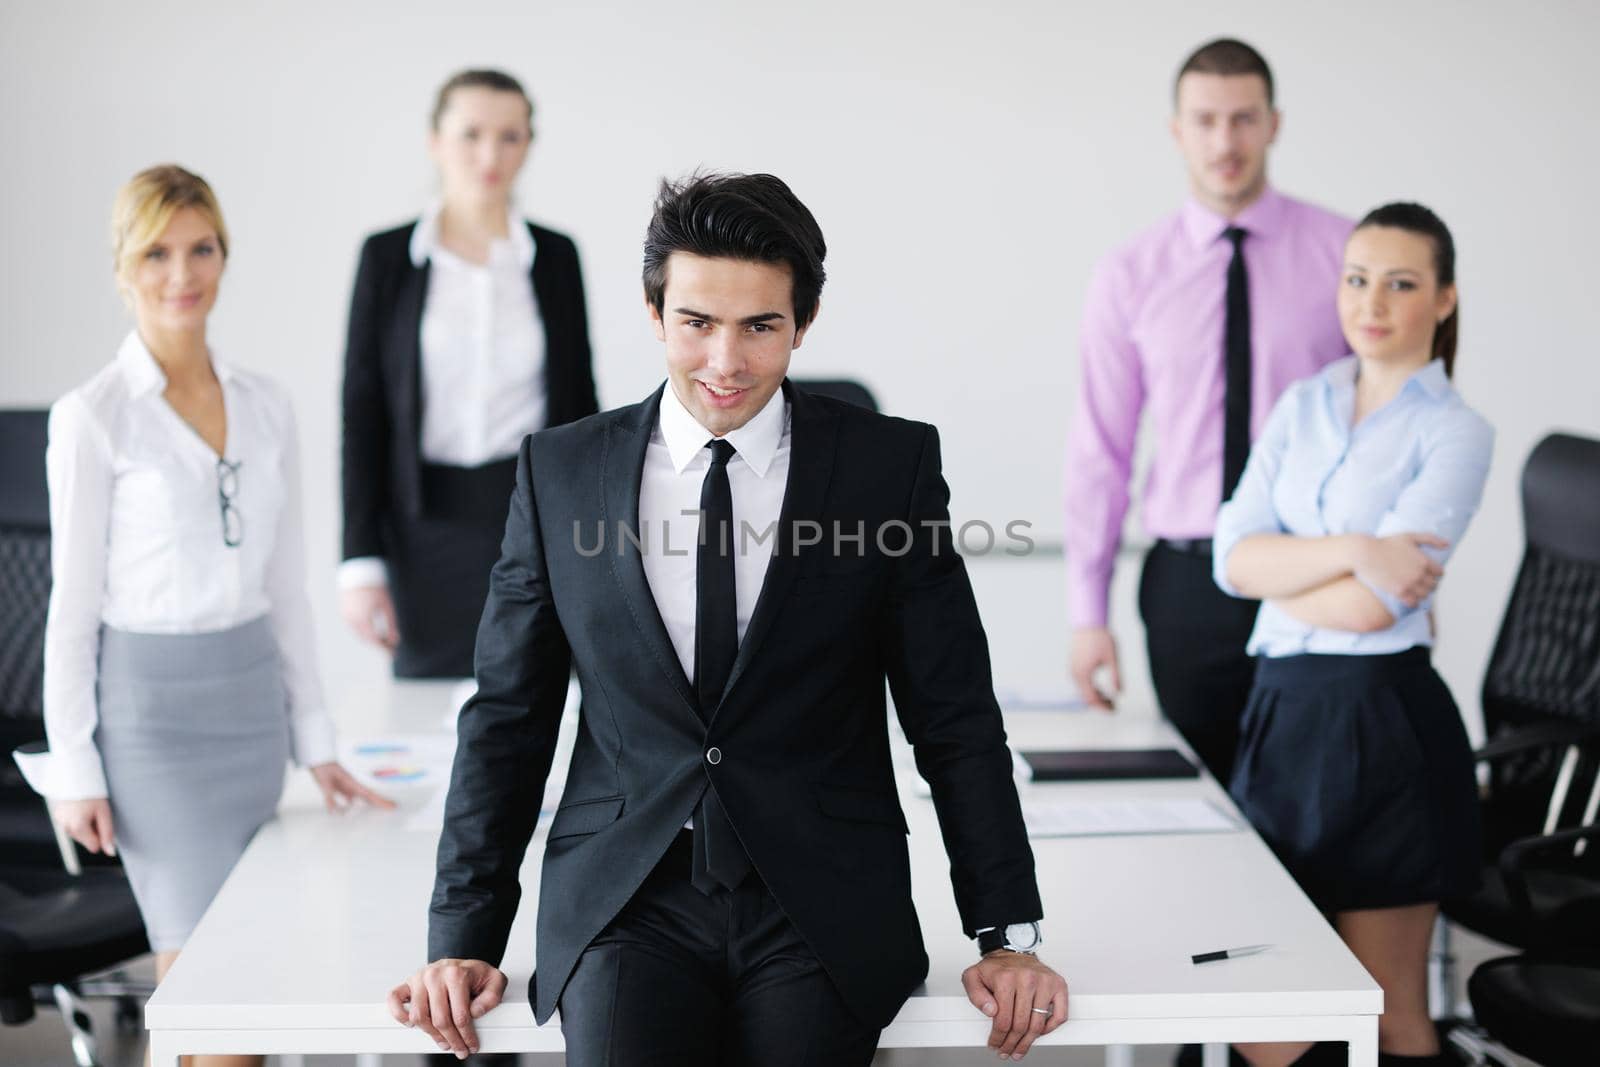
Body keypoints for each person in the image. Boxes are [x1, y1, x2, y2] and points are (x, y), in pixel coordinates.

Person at [387, 172, 1068, 1065]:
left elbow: (953, 713)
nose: (725, 362)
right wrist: (463, 932)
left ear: (804, 323)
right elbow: (508, 716)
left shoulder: (885, 466)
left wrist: (1005, 930)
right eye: (697, 323)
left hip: (819, 896)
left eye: (761, 326)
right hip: (626, 898)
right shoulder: (559, 472)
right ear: (654, 311)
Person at [13, 164, 391, 1067]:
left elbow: (287, 585)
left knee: (238, 1005)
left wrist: (317, 737)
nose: (183, 274)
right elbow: (70, 606)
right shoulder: (93, 417)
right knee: (225, 1018)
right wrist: (74, 766)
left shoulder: (266, 404)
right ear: (121, 268)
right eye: (157, 253)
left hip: (251, 720)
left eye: (202, 248)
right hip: (154, 736)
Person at [1213, 203, 1490, 1067]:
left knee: (1387, 1018)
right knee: (1268, 1028)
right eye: (1358, 278)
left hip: (1383, 728)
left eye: (1401, 283)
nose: (1372, 301)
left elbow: (1376, 611)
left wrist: (1284, 576)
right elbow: (1229, 557)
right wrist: (1360, 551)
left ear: (1443, 300)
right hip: (1283, 717)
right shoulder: (1304, 403)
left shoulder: (1456, 431)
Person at [1064, 38, 1352, 783]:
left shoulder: (1344, 254)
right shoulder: (1130, 273)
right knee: (1210, 800)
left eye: (1244, 118)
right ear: (1178, 130)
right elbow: (1102, 448)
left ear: (1274, 123)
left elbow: (1383, 418)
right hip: (1190, 583)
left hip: (1313, 570)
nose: (1226, 141)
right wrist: (1087, 613)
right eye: (1207, 120)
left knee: (1316, 800)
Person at [339, 68, 599, 679]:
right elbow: (363, 412)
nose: (491, 154)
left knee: (536, 698)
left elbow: (580, 403)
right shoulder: (388, 258)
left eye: (511, 136)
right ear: (435, 141)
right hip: (421, 523)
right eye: (471, 134)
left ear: (529, 145)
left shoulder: (555, 257)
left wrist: (593, 540)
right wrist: (359, 562)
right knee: (427, 716)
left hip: (531, 519)